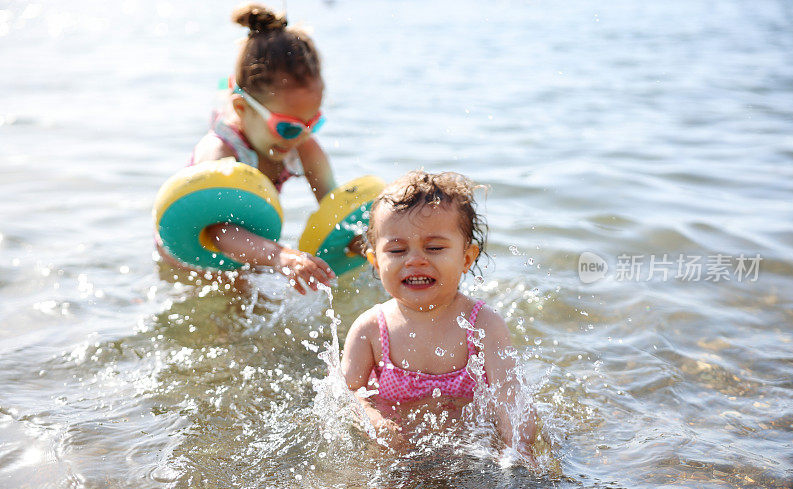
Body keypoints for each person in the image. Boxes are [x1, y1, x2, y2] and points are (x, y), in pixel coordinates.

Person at [340, 170, 537, 453]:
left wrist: (522, 450)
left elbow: (511, 397)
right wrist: (374, 420)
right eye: (396, 250)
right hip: (399, 454)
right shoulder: (370, 328)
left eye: (434, 247)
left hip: (471, 453)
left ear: (466, 257)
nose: (415, 260)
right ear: (374, 260)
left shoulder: (483, 324)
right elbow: (348, 395)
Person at [158, 3, 336, 295]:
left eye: (312, 123)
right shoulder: (220, 153)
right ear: (242, 108)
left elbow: (333, 205)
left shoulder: (300, 143)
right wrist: (282, 257)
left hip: (251, 248)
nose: (301, 136)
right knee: (227, 306)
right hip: (191, 256)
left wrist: (360, 242)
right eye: (288, 127)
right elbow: (218, 231)